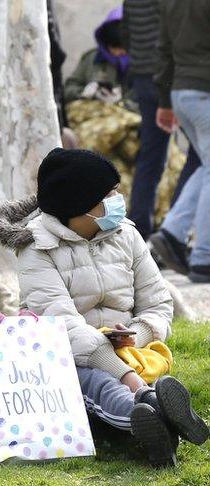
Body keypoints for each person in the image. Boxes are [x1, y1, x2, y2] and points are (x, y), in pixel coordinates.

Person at [0, 148, 209, 467]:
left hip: (131, 348)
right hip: (71, 355)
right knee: (100, 383)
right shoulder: (35, 249)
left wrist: (134, 337)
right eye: (108, 195)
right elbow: (62, 325)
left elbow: (157, 302)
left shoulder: (128, 234)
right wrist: (125, 374)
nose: (117, 200)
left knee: (140, 370)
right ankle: (153, 415)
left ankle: (155, 413)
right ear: (79, 206)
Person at [123, 0, 202, 239]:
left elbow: (126, 35)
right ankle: (172, 230)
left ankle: (140, 229)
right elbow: (173, 37)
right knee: (199, 155)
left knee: (151, 155)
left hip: (142, 76)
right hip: (170, 77)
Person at [147, 0, 210, 282]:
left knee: (207, 166)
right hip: (204, 91)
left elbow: (163, 49)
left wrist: (165, 100)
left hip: (183, 92)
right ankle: (204, 257)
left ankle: (172, 233)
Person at [64, 7, 130, 106]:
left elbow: (153, 100)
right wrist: (85, 92)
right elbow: (68, 90)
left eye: (123, 48)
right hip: (95, 117)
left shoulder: (147, 63)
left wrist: (123, 102)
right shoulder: (92, 58)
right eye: (114, 47)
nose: (118, 53)